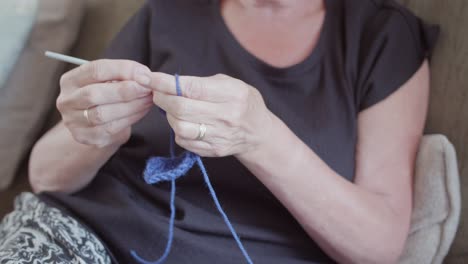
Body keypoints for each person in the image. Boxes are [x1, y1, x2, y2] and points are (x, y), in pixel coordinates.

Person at [0, 0, 438, 263]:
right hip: (78, 236)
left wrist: (262, 137)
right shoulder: (168, 10)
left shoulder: (380, 35)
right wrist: (96, 128)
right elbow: (46, 177)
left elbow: (379, 245)